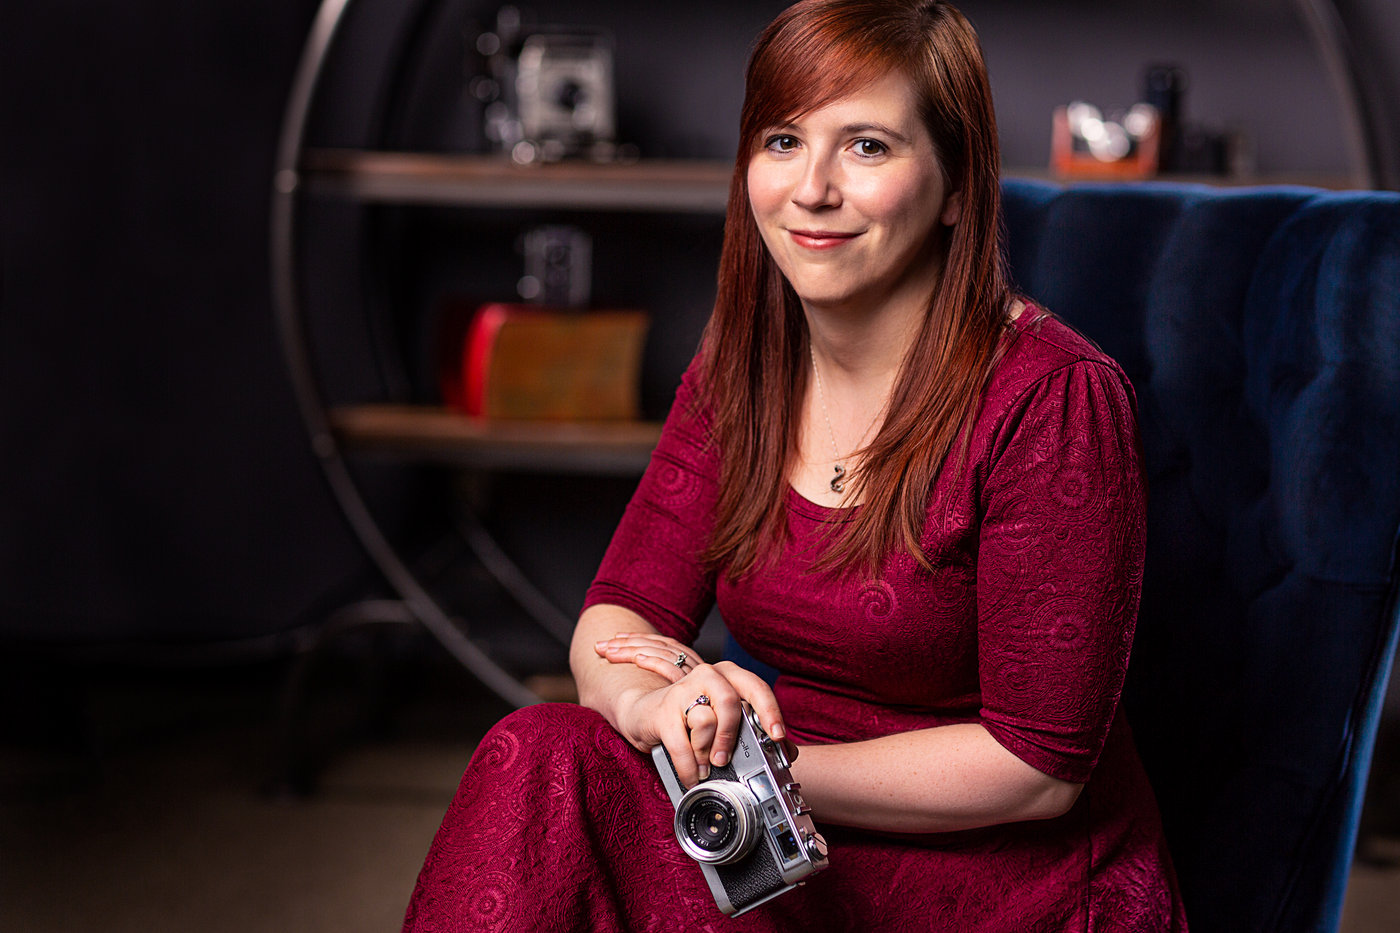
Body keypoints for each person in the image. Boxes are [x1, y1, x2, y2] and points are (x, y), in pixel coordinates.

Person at [403, 1, 1189, 930]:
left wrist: (748, 770)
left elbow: (1039, 770)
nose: (811, 188)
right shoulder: (745, 366)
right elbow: (615, 620)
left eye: (866, 146)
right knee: (540, 750)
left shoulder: (1054, 399)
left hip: (1002, 877)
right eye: (782, 140)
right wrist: (659, 711)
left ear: (954, 188)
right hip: (778, 837)